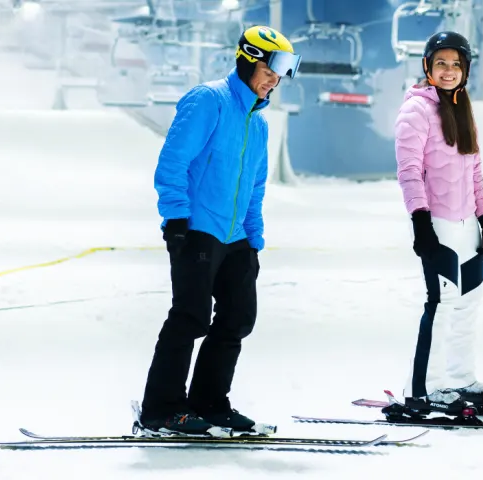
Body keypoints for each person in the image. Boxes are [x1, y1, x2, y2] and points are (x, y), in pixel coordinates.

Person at [138, 25, 301, 435]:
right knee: (191, 317)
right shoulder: (208, 100)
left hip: (236, 238)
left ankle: (209, 404)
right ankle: (161, 408)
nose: (274, 79)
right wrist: (176, 220)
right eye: (269, 68)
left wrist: (254, 241)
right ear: (247, 60)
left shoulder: (259, 121)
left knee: (237, 319)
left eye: (281, 72)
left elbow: (256, 185)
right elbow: (172, 162)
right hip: (199, 228)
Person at [394, 31, 483, 416]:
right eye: (441, 63)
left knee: (469, 305)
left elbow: (475, 172)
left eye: (456, 64)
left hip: (466, 225)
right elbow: (408, 171)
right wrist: (420, 222)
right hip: (437, 222)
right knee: (441, 305)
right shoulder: (416, 111)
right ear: (427, 67)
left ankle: (459, 378)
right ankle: (423, 389)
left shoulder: (461, 109)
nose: (449, 71)